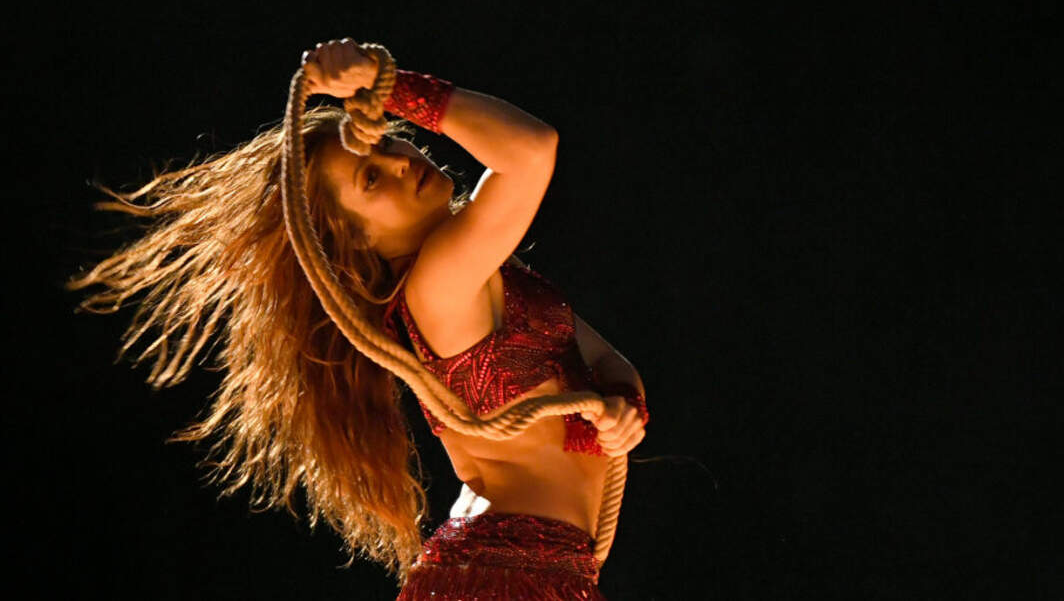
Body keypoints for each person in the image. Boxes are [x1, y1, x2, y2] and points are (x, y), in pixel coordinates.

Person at [69, 38, 648, 599]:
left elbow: (602, 359)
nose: (400, 161)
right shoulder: (440, 283)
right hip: (503, 578)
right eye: (371, 178)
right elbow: (530, 150)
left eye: (387, 143)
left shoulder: (483, 271)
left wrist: (623, 404)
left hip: (522, 572)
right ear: (355, 242)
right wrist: (388, 85)